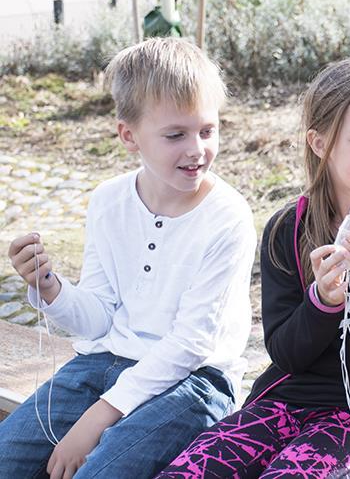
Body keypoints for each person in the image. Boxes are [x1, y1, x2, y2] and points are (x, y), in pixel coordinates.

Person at [155, 57, 350, 479]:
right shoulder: (288, 228)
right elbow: (284, 352)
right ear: (320, 143)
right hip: (282, 405)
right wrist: (323, 302)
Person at [0, 38, 256, 479]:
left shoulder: (226, 216)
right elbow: (99, 319)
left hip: (193, 382)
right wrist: (50, 288)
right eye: (176, 135)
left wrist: (99, 416)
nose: (196, 149)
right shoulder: (109, 201)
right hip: (102, 366)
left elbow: (191, 344)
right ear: (129, 136)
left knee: (98, 473)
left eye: (207, 130)